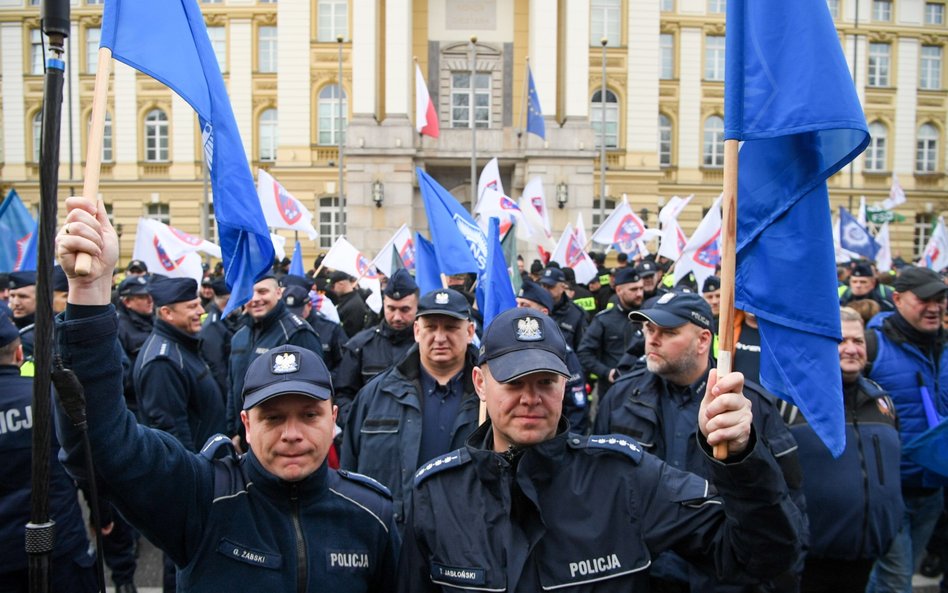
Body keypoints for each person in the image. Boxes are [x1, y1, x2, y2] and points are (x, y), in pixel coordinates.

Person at [54, 199, 400, 592]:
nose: (291, 433)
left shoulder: (372, 514)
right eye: (272, 417)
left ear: (333, 418)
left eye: (309, 415)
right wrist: (89, 293)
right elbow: (98, 444)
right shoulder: (202, 498)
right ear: (247, 424)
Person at [396, 306, 804, 592]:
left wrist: (741, 460)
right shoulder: (435, 493)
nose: (530, 398)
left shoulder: (624, 476)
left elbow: (758, 557)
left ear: (565, 384)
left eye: (545, 382)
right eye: (514, 382)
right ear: (481, 384)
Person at [594, 291, 805, 592]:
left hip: (720, 577)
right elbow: (599, 488)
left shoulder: (745, 408)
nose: (652, 340)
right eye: (648, 330)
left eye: (668, 332)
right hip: (641, 574)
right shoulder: (621, 398)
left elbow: (788, 503)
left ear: (703, 340)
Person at [781, 307, 903, 593]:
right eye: (840, 341)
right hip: (810, 561)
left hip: (866, 554)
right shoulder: (790, 401)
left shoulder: (882, 401)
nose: (851, 349)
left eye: (858, 341)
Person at [340, 288, 480, 527]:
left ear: (469, 332)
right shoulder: (374, 396)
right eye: (431, 327)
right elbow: (349, 475)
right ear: (417, 331)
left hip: (468, 540)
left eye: (450, 328)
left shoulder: (491, 398)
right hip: (393, 540)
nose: (439, 337)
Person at [0, 311, 97, 593]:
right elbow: (84, 465)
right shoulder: (47, 399)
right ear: (19, 354)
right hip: (60, 546)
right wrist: (101, 514)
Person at [865, 266, 948, 593]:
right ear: (897, 299)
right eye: (925, 299)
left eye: (941, 299)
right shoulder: (874, 347)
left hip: (933, 491)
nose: (935, 306)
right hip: (888, 489)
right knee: (896, 582)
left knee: (898, 575)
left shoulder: (943, 347)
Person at [227, 275, 322, 445]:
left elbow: (313, 397)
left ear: (278, 293)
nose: (255, 299)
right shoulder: (239, 336)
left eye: (262, 292)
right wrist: (233, 432)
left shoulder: (296, 333)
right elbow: (233, 387)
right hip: (247, 439)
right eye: (248, 293)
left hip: (283, 441)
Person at [335, 269, 419, 426]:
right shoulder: (360, 345)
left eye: (405, 309)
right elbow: (343, 395)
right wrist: (357, 426)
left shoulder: (426, 346)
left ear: (416, 307)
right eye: (391, 309)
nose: (397, 317)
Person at [516, 281, 590, 434]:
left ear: (543, 312)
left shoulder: (562, 352)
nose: (518, 310)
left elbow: (577, 407)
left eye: (525, 305)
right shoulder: (509, 348)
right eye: (517, 304)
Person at [578, 267, 645, 391]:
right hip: (612, 391)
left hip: (643, 389)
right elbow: (584, 353)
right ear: (619, 290)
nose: (639, 294)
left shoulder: (648, 318)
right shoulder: (603, 320)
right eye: (634, 289)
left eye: (641, 288)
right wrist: (606, 372)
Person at [538, 267, 587, 352]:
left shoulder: (576, 314)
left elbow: (582, 349)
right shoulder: (534, 309)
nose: (545, 290)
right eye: (543, 286)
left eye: (550, 287)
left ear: (563, 287)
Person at [328, 271, 377, 338]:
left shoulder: (353, 305)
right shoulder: (347, 299)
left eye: (333, 287)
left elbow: (351, 333)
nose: (332, 290)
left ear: (341, 284)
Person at [8, 271, 36, 359]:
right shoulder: (7, 325)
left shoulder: (48, 328)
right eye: (12, 296)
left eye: (23, 296)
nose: (16, 302)